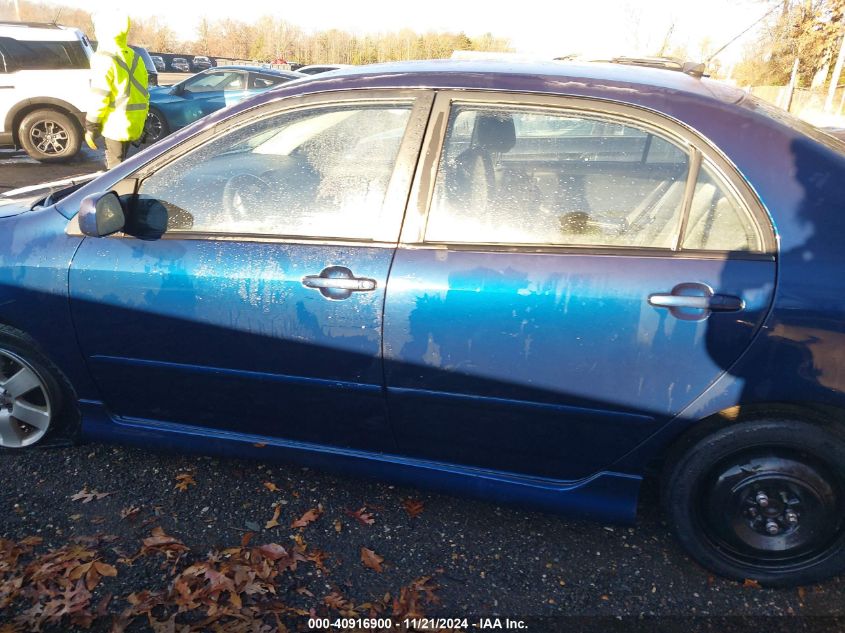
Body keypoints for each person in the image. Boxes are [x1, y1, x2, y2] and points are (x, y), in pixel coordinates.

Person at [84, 11, 149, 169]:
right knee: (126, 167)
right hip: (135, 124)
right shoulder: (135, 57)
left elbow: (100, 96)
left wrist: (91, 126)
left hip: (116, 125)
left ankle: (117, 193)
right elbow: (144, 92)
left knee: (115, 172)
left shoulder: (104, 58)